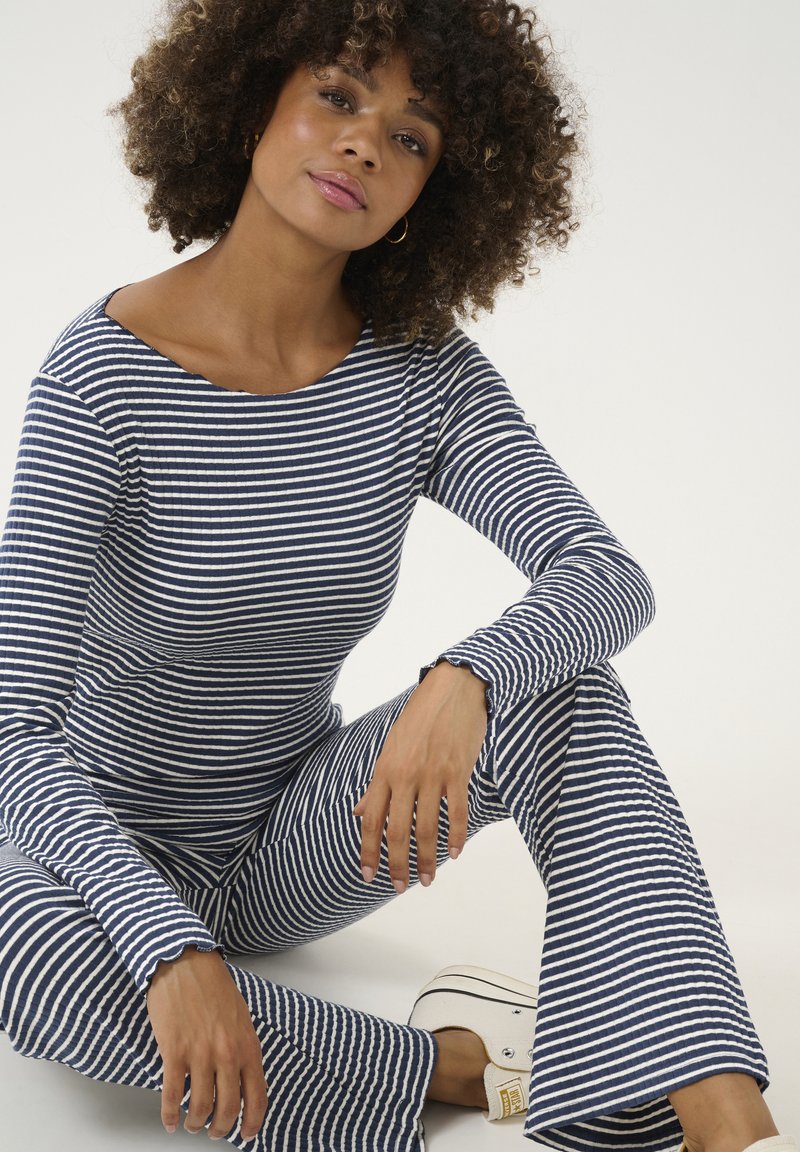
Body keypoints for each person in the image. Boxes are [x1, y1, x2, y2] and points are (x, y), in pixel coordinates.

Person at [0, 2, 794, 1151]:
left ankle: (725, 1120)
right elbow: (15, 733)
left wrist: (464, 676)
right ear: (249, 103)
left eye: (410, 135)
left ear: (432, 189)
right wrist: (167, 948)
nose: (365, 142)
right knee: (25, 956)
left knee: (562, 691)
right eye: (337, 94)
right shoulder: (101, 379)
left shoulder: (422, 375)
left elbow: (601, 573)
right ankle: (455, 1067)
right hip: (98, 850)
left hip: (291, 839)